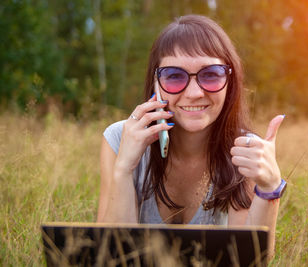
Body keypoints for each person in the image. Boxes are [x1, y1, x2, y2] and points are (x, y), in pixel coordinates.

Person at [97, 14, 286, 258]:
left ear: (230, 82)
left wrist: (269, 187)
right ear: (156, 83)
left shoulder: (244, 150)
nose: (194, 93)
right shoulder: (118, 139)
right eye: (174, 76)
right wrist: (123, 168)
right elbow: (107, 257)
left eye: (211, 74)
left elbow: (248, 262)